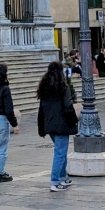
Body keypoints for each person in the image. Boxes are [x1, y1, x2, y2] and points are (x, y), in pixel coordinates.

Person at [37, 61, 78, 192]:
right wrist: (74, 121)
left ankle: (62, 177)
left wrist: (41, 126)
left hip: (50, 123)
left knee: (61, 151)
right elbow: (68, 105)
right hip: (62, 123)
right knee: (60, 153)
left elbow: (41, 109)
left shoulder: (44, 87)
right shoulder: (63, 87)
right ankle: (55, 181)